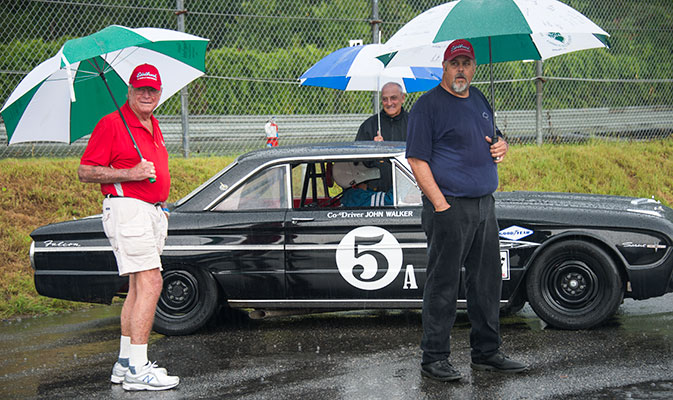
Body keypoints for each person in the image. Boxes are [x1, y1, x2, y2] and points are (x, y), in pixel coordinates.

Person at [405, 39, 528, 382]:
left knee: (486, 283)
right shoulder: (427, 107)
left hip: (485, 205)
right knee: (443, 284)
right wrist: (441, 206)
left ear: (475, 68)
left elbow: (494, 138)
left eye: (467, 63)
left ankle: (486, 353)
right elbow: (416, 159)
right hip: (449, 206)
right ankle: (434, 359)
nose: (461, 69)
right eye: (455, 63)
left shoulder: (478, 98)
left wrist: (503, 144)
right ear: (443, 67)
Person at [78, 64, 179, 391]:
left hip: (150, 212)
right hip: (127, 209)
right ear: (129, 91)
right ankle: (138, 367)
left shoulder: (154, 123)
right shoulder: (112, 123)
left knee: (138, 285)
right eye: (141, 89)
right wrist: (130, 174)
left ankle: (124, 363)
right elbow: (86, 171)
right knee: (152, 281)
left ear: (160, 93)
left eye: (152, 90)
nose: (147, 95)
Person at [355, 82, 407, 192]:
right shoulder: (369, 125)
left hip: (408, 185)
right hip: (376, 188)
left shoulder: (415, 123)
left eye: (393, 98)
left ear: (403, 98)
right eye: (385, 99)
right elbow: (357, 163)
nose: (389, 103)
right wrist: (372, 149)